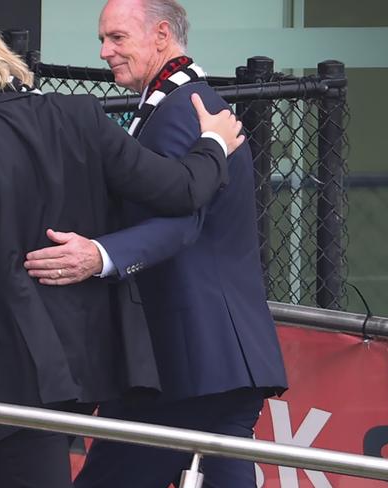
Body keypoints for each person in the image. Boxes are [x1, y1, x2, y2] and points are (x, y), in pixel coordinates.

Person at [0, 12, 245, 488]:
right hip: (88, 354)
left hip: (11, 367)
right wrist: (213, 144)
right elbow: (179, 190)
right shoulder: (80, 115)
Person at [23, 1, 288, 487]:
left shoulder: (179, 112)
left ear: (162, 35)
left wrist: (97, 256)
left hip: (183, 361)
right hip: (210, 360)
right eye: (103, 39)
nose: (104, 51)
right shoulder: (189, 104)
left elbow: (179, 221)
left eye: (117, 38)